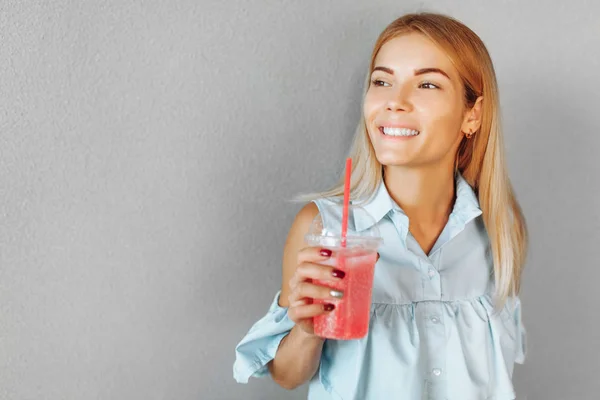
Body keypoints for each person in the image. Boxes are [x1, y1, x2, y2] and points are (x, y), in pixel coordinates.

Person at [233, 12, 528, 400]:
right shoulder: (322, 226)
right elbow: (288, 375)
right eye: (382, 81)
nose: (394, 101)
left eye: (426, 84)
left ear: (471, 114)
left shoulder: (499, 230)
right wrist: (306, 328)